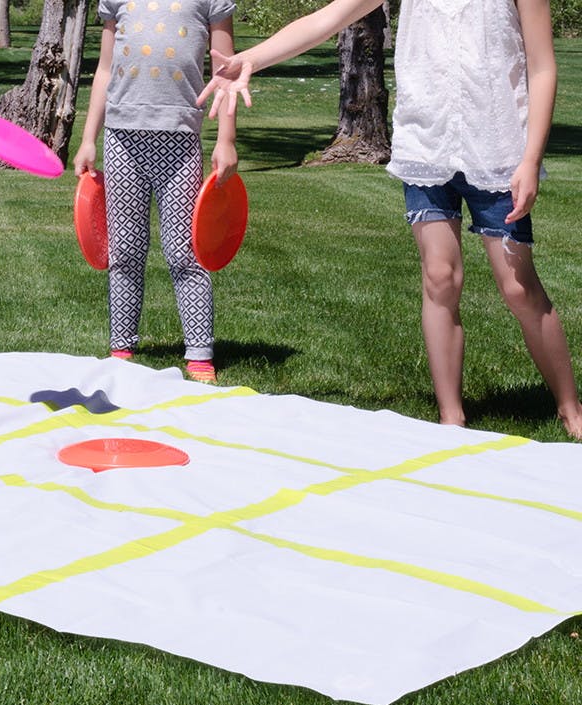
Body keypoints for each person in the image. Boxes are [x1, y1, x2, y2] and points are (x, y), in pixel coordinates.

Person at [198, 0, 582, 438]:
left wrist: (530, 159)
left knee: (518, 287)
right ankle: (451, 418)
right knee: (440, 277)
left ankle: (570, 408)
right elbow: (328, 19)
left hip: (498, 150)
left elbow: (542, 67)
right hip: (426, 145)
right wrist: (250, 57)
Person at [73, 0, 240, 384]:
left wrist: (226, 139)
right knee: (125, 250)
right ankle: (121, 348)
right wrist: (87, 138)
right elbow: (104, 69)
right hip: (121, 138)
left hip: (180, 139)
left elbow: (226, 74)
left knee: (186, 251)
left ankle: (199, 354)